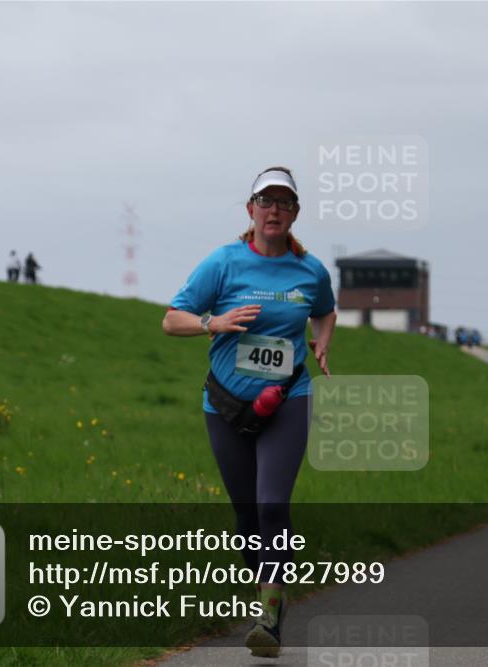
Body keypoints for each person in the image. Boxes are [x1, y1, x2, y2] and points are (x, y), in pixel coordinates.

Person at [162, 166, 336, 658]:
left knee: (272, 503)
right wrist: (212, 322)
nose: (274, 209)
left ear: (296, 213)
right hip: (224, 403)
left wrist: (323, 337)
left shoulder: (311, 270)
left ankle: (271, 617)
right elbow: (171, 319)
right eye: (266, 200)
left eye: (284, 202)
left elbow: (325, 308)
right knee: (246, 515)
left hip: (288, 398)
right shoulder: (223, 263)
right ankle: (266, 590)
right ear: (250, 210)